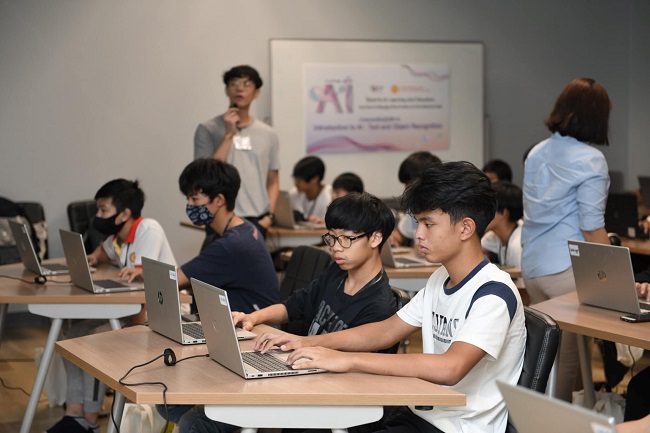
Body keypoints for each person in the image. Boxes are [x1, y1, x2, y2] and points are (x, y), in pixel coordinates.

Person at [256, 161, 526, 433]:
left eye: (428, 224)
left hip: (459, 427)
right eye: (418, 223)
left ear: (465, 228)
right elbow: (385, 331)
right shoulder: (440, 279)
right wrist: (307, 342)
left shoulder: (493, 293)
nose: (418, 234)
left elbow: (450, 368)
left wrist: (347, 359)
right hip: (422, 414)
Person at [176, 192, 398, 433]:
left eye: (346, 239)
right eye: (332, 237)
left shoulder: (380, 305)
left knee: (195, 421)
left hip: (325, 400)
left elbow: (350, 373)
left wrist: (296, 348)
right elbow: (295, 305)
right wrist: (253, 317)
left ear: (375, 238)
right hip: (298, 376)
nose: (335, 247)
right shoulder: (337, 272)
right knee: (191, 400)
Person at [47, 179, 176, 433]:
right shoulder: (118, 237)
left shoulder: (148, 229)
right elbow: (103, 252)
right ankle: (74, 413)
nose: (98, 215)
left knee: (92, 341)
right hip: (130, 311)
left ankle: (90, 420)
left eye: (103, 209)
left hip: (158, 317)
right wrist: (94, 257)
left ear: (124, 214)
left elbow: (143, 277)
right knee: (71, 335)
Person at [521, 77, 612, 402]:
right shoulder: (590, 159)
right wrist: (613, 274)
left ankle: (533, 418)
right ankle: (551, 423)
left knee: (541, 360)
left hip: (533, 268)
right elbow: (592, 227)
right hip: (567, 271)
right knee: (566, 366)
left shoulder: (536, 152)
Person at [176, 158, 280, 313]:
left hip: (254, 325)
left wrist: (145, 274)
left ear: (219, 200)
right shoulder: (245, 228)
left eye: (195, 199)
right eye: (188, 199)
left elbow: (174, 280)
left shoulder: (231, 245)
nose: (190, 205)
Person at [194, 65, 279, 238]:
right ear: (227, 90)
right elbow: (204, 177)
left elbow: (273, 181)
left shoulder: (269, 134)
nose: (240, 88)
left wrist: (269, 217)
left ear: (256, 93)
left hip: (257, 219)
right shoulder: (207, 129)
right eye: (234, 83)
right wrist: (228, 135)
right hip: (220, 216)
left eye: (247, 84)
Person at [389, 151, 441, 247]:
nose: (406, 190)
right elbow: (400, 233)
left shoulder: (446, 211)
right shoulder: (414, 208)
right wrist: (392, 239)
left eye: (411, 185)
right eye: (406, 185)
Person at [481, 182, 523, 269]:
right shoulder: (494, 235)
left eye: (486, 209)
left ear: (503, 213)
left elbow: (522, 277)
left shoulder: (518, 245)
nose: (480, 214)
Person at [289, 155, 332, 224]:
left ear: (315, 179)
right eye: (295, 179)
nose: (295, 183)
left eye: (300, 180)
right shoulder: (293, 194)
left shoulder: (330, 197)